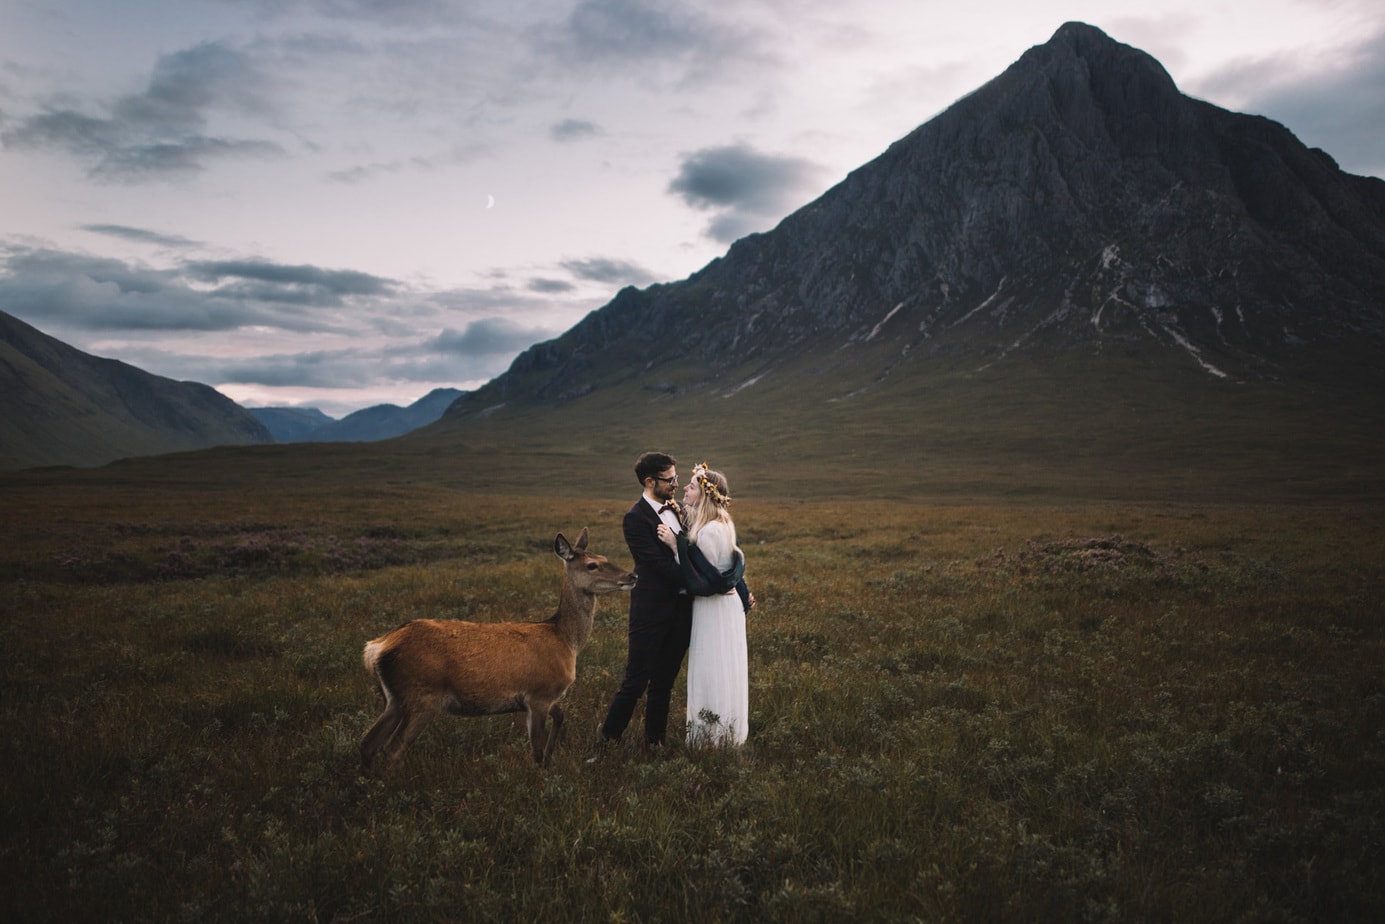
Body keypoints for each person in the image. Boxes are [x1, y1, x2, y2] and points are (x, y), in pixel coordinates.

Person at [593, 451, 694, 753]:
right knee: (636, 682)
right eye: (670, 479)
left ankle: (655, 744)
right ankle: (607, 743)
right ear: (650, 481)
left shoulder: (676, 511)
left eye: (677, 478)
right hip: (650, 611)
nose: (676, 484)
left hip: (681, 611)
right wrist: (698, 582)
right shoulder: (635, 518)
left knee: (663, 683)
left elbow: (689, 553)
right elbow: (656, 565)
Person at [656, 463, 750, 747]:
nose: (685, 488)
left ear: (706, 496)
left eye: (692, 486)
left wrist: (675, 546)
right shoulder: (722, 525)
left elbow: (700, 579)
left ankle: (710, 738)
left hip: (714, 609)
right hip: (725, 608)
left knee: (712, 666)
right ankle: (727, 733)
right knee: (725, 666)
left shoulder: (709, 532)